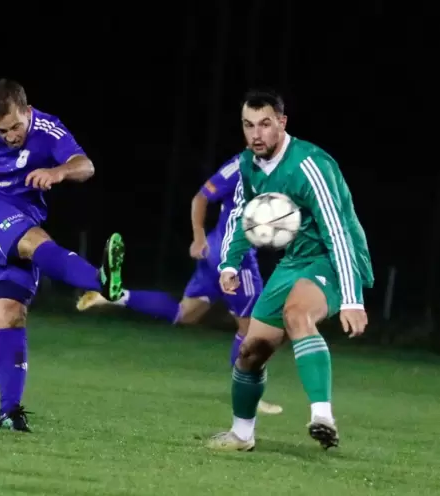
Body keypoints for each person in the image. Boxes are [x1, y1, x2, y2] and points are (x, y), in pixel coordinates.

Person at [0, 79, 123, 432]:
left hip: (21, 214)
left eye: (15, 127)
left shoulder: (49, 129)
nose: (10, 136)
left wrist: (58, 171)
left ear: (28, 110)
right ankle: (99, 281)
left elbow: (85, 165)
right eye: (2, 131)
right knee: (33, 241)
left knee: (12, 315)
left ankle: (9, 412)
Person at [206, 89, 373, 452]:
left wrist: (352, 298)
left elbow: (338, 231)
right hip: (295, 261)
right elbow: (242, 214)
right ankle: (241, 435)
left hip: (333, 258)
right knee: (251, 351)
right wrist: (230, 262)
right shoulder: (249, 164)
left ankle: (322, 416)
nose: (256, 134)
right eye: (248, 125)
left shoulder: (309, 165)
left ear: (282, 123)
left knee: (297, 314)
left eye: (265, 124)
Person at [76, 154, 282, 415]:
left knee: (186, 313)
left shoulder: (239, 164)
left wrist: (200, 240)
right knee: (254, 329)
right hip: (235, 257)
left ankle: (114, 296)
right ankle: (246, 392)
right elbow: (202, 198)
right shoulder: (258, 167)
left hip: (213, 248)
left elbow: (201, 196)